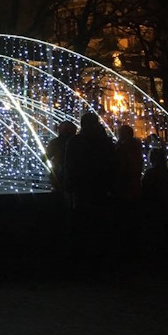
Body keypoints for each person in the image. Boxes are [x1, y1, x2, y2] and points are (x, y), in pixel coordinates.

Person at [63, 112, 114, 263]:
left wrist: (68, 186)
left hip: (82, 189)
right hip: (101, 189)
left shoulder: (75, 142)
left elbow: (69, 166)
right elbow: (112, 165)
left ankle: (82, 260)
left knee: (82, 225)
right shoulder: (105, 143)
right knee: (99, 225)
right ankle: (100, 259)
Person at [112, 124, 143, 258]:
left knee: (124, 218)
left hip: (124, 187)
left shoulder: (123, 148)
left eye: (119, 133)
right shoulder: (136, 147)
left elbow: (119, 167)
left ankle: (126, 249)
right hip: (134, 186)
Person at [45, 120, 77, 196]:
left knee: (58, 195)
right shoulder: (78, 142)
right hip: (75, 174)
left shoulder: (55, 142)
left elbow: (47, 156)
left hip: (59, 173)